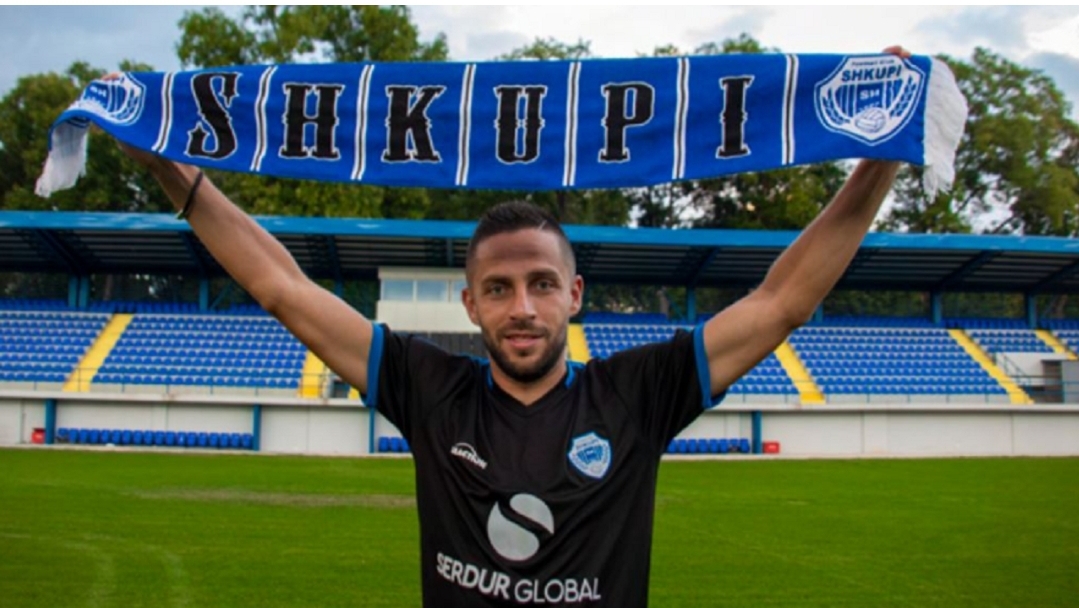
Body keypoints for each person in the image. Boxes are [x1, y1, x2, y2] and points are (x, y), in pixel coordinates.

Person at [112, 45, 909, 607]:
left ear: (575, 295)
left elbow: (781, 302)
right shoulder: (430, 390)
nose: (521, 307)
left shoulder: (637, 394)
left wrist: (877, 160)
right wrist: (171, 173)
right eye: (498, 289)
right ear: (470, 305)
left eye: (541, 285)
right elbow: (282, 288)